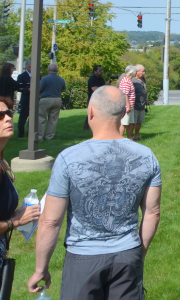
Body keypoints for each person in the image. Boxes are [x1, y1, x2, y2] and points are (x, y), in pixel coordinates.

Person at [28, 86, 162, 298]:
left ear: (90, 111)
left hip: (83, 258)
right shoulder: (146, 156)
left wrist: (40, 268)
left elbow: (50, 221)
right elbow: (152, 213)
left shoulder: (68, 158)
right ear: (124, 113)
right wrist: (139, 253)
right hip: (127, 254)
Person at [0, 95, 40, 289]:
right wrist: (15, 221)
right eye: (0, 116)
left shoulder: (2, 161)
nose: (8, 118)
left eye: (8, 113)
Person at [37, 62, 66, 142]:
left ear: (48, 69)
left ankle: (39, 137)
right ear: (57, 70)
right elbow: (63, 89)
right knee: (53, 119)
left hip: (45, 99)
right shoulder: (61, 79)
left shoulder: (45, 78)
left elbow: (39, 89)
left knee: (41, 118)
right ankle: (49, 137)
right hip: (57, 99)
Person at [128, 65, 147, 141]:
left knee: (140, 121)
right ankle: (130, 137)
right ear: (137, 72)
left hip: (142, 105)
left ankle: (136, 136)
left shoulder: (143, 79)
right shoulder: (133, 80)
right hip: (135, 105)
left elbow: (144, 90)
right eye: (142, 71)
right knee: (132, 122)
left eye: (144, 71)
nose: (144, 73)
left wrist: (146, 99)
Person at [117, 66, 137, 138]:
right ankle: (120, 138)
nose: (136, 73)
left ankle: (129, 138)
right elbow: (125, 94)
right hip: (126, 107)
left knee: (131, 123)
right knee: (124, 123)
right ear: (131, 73)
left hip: (131, 106)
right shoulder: (125, 81)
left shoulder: (129, 80)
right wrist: (128, 106)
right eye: (135, 71)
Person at [16, 60, 32, 138]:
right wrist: (27, 90)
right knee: (23, 117)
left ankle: (30, 133)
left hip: (34, 100)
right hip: (25, 99)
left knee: (32, 118)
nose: (31, 68)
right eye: (29, 66)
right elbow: (18, 88)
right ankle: (20, 134)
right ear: (26, 67)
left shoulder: (37, 75)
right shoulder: (21, 76)